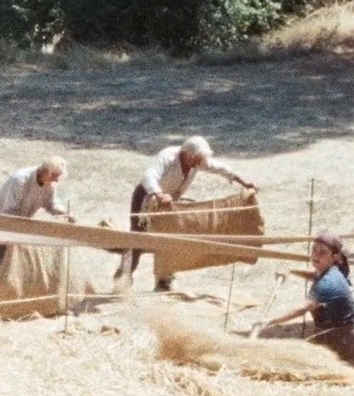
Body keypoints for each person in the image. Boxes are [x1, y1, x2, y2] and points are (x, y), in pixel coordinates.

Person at [118, 136, 257, 291]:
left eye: (201, 160)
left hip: (169, 204)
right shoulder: (168, 157)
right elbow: (149, 176)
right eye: (196, 159)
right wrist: (159, 194)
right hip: (147, 197)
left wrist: (244, 182)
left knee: (170, 240)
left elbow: (220, 168)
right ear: (186, 154)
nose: (199, 163)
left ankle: (164, 280)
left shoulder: (197, 161)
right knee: (138, 238)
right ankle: (124, 276)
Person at [257, 233, 354, 364]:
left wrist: (270, 321)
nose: (315, 255)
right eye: (314, 249)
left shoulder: (328, 283)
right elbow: (314, 275)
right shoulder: (333, 269)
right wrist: (291, 271)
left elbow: (303, 308)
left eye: (322, 252)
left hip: (342, 339)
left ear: (334, 257)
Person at [0, 158, 72, 276]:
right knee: (2, 266)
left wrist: (64, 213)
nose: (57, 180)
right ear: (47, 172)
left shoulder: (50, 183)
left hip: (20, 224)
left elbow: (50, 203)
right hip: (1, 222)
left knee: (18, 268)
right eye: (55, 175)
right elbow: (9, 211)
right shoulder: (20, 180)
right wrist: (26, 227)